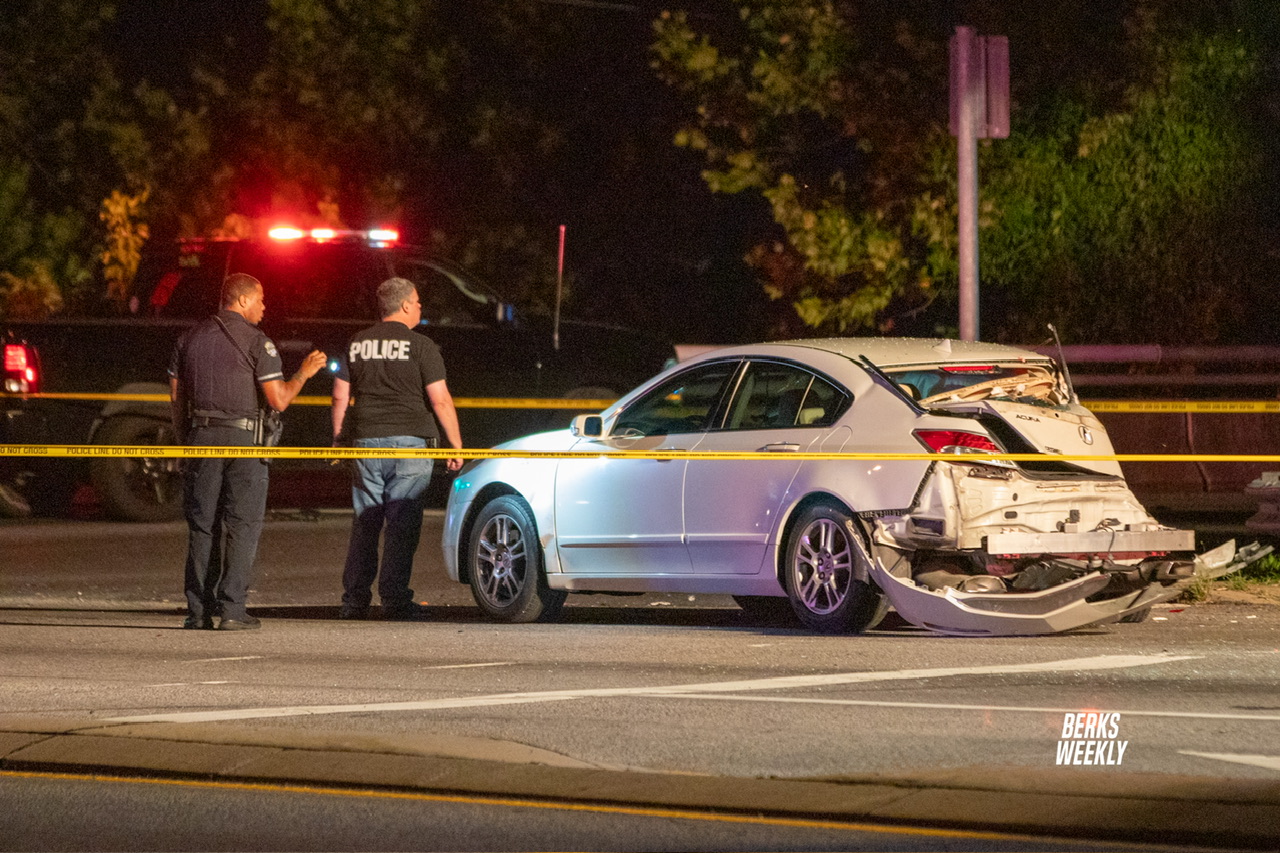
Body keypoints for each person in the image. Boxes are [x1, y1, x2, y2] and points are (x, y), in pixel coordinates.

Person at [169, 273, 326, 631]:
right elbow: (279, 399)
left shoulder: (187, 339)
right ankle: (232, 610)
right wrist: (303, 373)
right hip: (244, 444)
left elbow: (176, 400)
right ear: (242, 300)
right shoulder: (258, 342)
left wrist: (183, 445)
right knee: (242, 526)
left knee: (202, 526)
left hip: (200, 440)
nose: (264, 307)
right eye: (260, 299)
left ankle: (198, 612)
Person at [331, 277, 463, 620]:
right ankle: (394, 599)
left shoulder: (357, 342)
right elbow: (440, 400)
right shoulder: (421, 346)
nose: (420, 307)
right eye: (417, 302)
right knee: (402, 525)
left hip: (365, 442)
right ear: (404, 305)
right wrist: (455, 444)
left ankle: (354, 601)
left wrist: (339, 438)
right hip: (410, 445)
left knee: (365, 522)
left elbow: (340, 395)